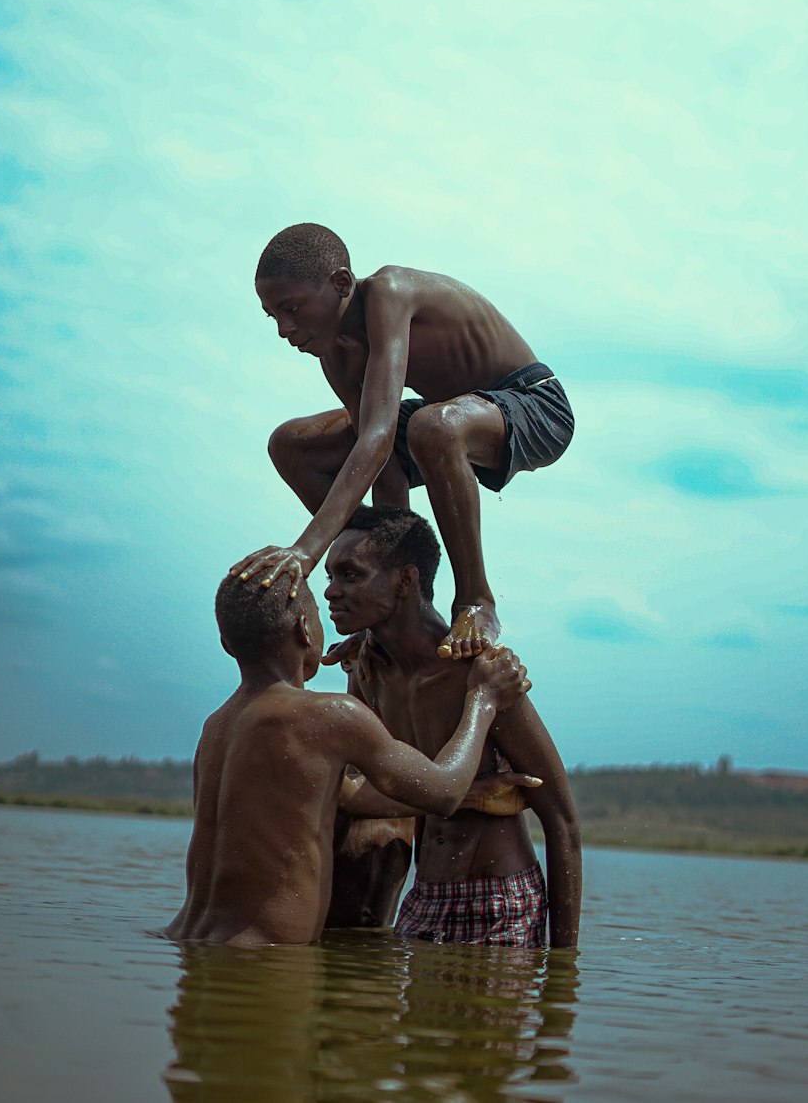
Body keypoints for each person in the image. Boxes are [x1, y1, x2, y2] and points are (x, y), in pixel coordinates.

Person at [232, 223, 574, 658]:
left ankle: (475, 599)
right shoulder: (337, 358)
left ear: (340, 283)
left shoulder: (390, 292)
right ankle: (399, 604)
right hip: (446, 420)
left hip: (533, 404)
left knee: (432, 428)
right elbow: (385, 469)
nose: (284, 328)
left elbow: (377, 438)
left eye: (292, 308)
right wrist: (390, 599)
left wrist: (305, 550)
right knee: (290, 446)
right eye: (273, 316)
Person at [165, 566, 532, 947]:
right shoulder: (329, 715)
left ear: (226, 644)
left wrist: (474, 793)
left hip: (187, 940)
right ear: (307, 630)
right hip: (261, 963)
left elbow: (346, 796)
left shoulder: (217, 726)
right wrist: (483, 700)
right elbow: (443, 791)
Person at [323, 505, 582, 948]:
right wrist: (466, 794)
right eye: (330, 575)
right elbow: (344, 794)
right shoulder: (370, 672)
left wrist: (561, 975)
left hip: (499, 900)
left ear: (406, 581)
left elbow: (562, 823)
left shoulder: (481, 675)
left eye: (350, 575)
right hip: (424, 899)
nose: (330, 591)